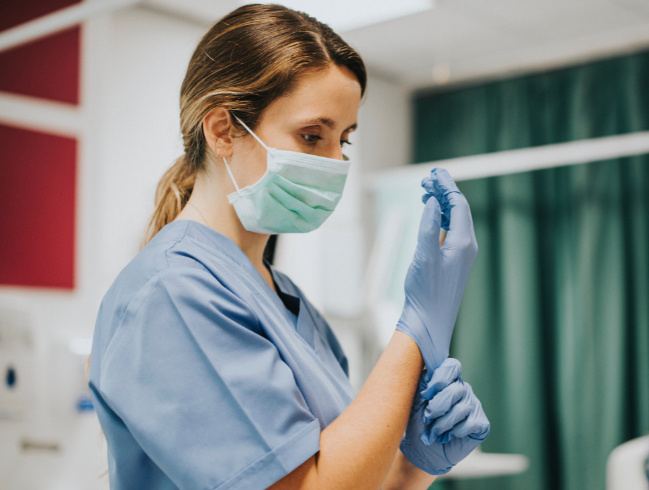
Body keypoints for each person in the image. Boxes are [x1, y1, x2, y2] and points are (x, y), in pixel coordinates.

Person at [87, 4, 488, 489]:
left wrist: (413, 466)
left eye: (345, 140)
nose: (335, 161)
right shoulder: (172, 292)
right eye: (312, 136)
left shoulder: (291, 305)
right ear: (222, 130)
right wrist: (416, 327)